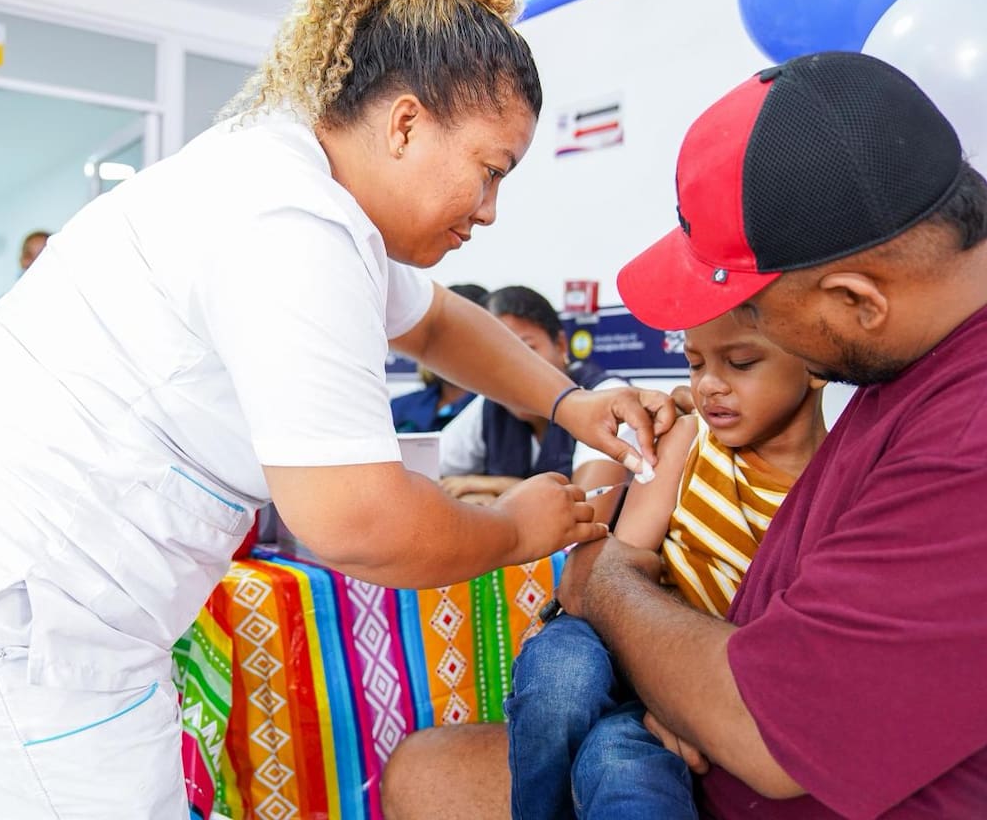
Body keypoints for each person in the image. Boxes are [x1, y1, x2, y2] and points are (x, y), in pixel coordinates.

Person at [0, 0, 675, 818]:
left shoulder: (302, 186)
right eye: (490, 170)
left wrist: (569, 404)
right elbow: (356, 519)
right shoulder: (292, 224)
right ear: (405, 123)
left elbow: (438, 322)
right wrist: (514, 531)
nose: (489, 210)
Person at [381, 51, 987, 819]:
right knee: (422, 769)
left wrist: (603, 585)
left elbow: (762, 727)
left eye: (753, 326)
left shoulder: (967, 435)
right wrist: (679, 685)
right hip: (700, 725)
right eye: (696, 360)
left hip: (742, 762)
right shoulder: (907, 354)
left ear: (857, 300)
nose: (713, 378)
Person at [507, 310, 826, 820]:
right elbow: (612, 571)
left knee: (621, 768)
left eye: (741, 363)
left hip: (708, 675)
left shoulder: (835, 486)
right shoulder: (690, 440)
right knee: (560, 684)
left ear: (816, 361)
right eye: (695, 365)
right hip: (613, 632)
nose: (709, 385)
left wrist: (687, 702)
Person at [440, 285, 630, 522]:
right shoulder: (489, 404)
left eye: (527, 349)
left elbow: (587, 515)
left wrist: (501, 488)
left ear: (560, 344)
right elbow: (426, 473)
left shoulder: (606, 396)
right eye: (493, 355)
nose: (510, 369)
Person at [391, 282, 488, 432]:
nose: (447, 343)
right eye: (439, 331)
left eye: (461, 332)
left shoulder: (497, 413)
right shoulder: (399, 407)